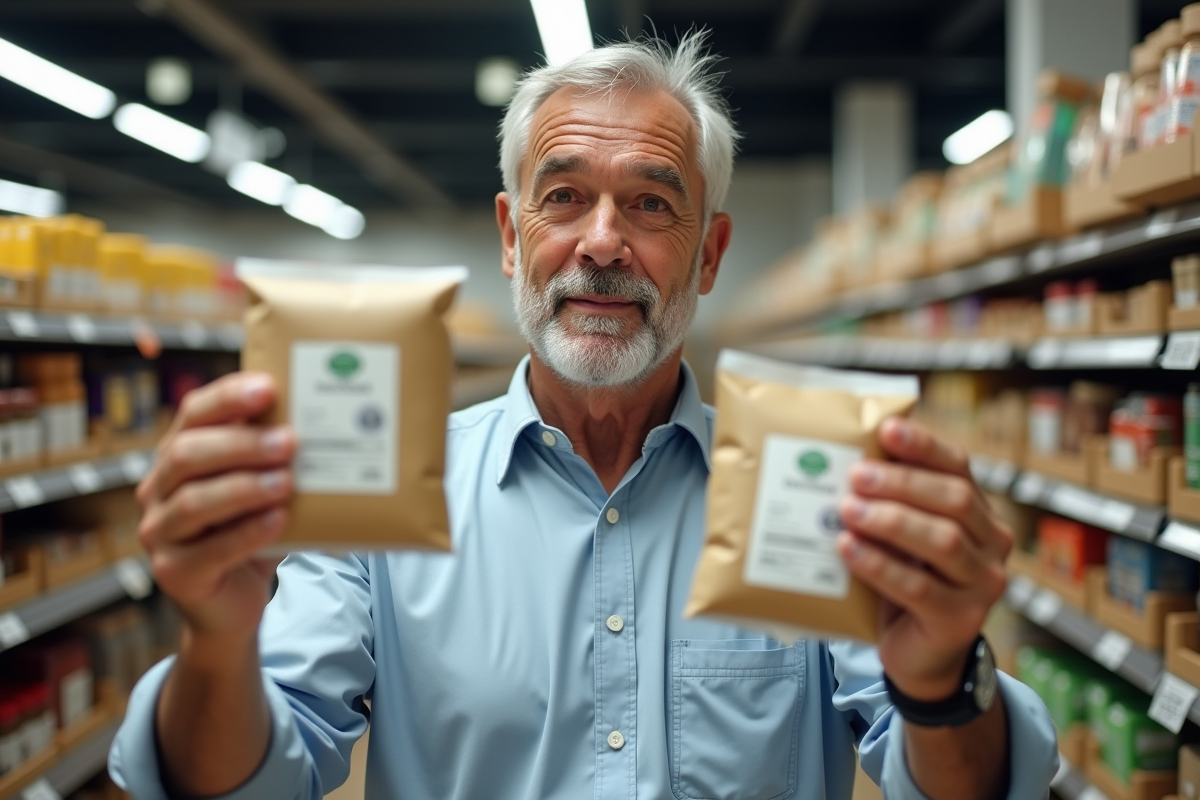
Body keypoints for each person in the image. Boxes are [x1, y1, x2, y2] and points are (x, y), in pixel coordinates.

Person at [110, 33, 1057, 800]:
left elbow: (956, 782)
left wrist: (940, 681)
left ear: (710, 254)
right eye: (563, 197)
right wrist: (217, 642)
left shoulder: (805, 491)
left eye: (651, 204)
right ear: (512, 239)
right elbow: (245, 780)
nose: (602, 243)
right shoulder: (385, 499)